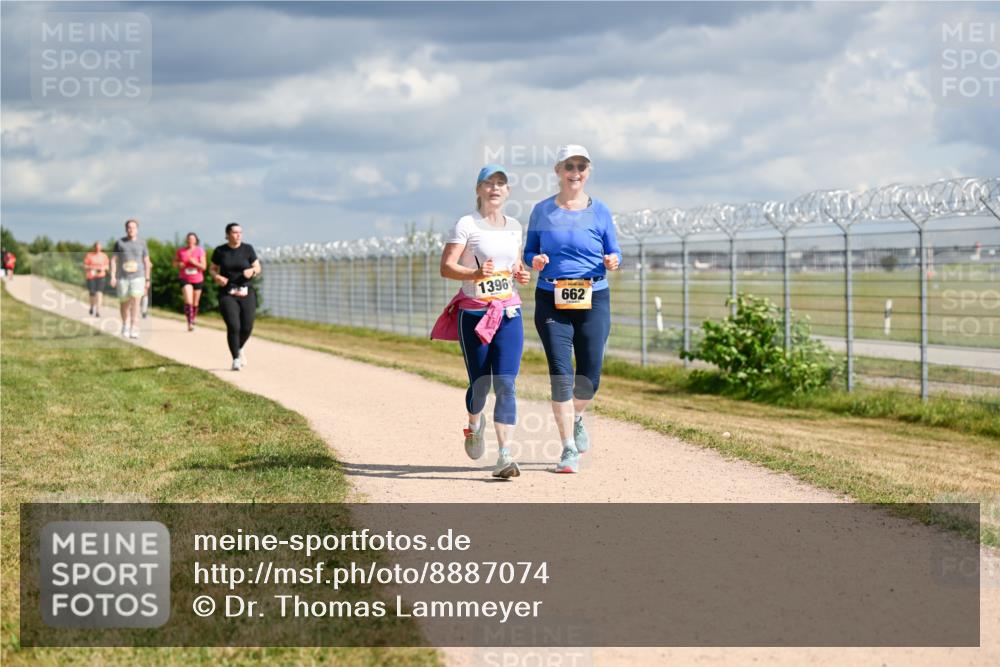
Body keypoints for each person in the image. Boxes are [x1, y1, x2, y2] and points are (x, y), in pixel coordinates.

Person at [523, 145, 621, 474]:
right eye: (569, 165)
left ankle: (577, 415)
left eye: (581, 166)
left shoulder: (601, 210)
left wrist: (613, 260)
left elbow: (615, 251)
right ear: (558, 171)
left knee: (590, 376)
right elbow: (528, 253)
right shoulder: (542, 211)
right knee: (561, 374)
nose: (575, 171)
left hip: (594, 296)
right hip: (552, 297)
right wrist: (534, 260)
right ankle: (567, 448)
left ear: (588, 172)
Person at [431, 165, 531, 479]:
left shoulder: (514, 226)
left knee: (506, 383)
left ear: (508, 191)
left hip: (508, 312)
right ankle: (474, 423)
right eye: (489, 183)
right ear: (478, 190)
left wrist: (521, 273)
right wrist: (474, 273)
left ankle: (504, 455)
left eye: (501, 183)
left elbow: (515, 264)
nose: (495, 188)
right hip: (474, 314)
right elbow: (446, 267)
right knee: (480, 384)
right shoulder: (466, 224)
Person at [209, 222, 261, 371]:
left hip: (246, 291)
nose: (238, 235)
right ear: (228, 235)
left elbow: (258, 267)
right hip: (227, 293)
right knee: (233, 326)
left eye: (240, 232)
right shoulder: (220, 251)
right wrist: (217, 277)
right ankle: (236, 359)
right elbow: (212, 269)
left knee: (247, 326)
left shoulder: (248, 249)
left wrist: (252, 271)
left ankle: (239, 347)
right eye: (235, 232)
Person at [109, 219, 151, 339]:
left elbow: (146, 261)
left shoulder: (142, 243)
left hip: (138, 276)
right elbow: (113, 260)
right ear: (126, 229)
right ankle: (125, 324)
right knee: (124, 303)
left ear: (137, 229)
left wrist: (147, 279)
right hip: (123, 277)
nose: (131, 229)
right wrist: (113, 276)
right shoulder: (119, 243)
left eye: (133, 227)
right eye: (129, 227)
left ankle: (134, 327)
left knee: (136, 302)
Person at [173, 232, 207, 331]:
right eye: (189, 239)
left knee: (195, 303)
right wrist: (179, 264)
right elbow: (174, 263)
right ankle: (190, 323)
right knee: (188, 301)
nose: (190, 241)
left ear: (196, 240)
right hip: (185, 278)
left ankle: (193, 318)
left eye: (193, 239)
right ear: (186, 240)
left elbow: (204, 267)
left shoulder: (200, 251)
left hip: (198, 279)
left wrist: (195, 263)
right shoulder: (181, 251)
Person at [83, 242, 110, 317]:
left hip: (101, 276)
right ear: (94, 247)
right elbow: (85, 266)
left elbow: (107, 267)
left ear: (101, 248)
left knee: (99, 293)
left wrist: (102, 268)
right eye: (96, 247)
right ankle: (92, 307)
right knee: (92, 293)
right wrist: (92, 268)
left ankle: (98, 311)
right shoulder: (89, 255)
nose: (98, 249)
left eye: (99, 248)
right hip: (91, 276)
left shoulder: (104, 256)